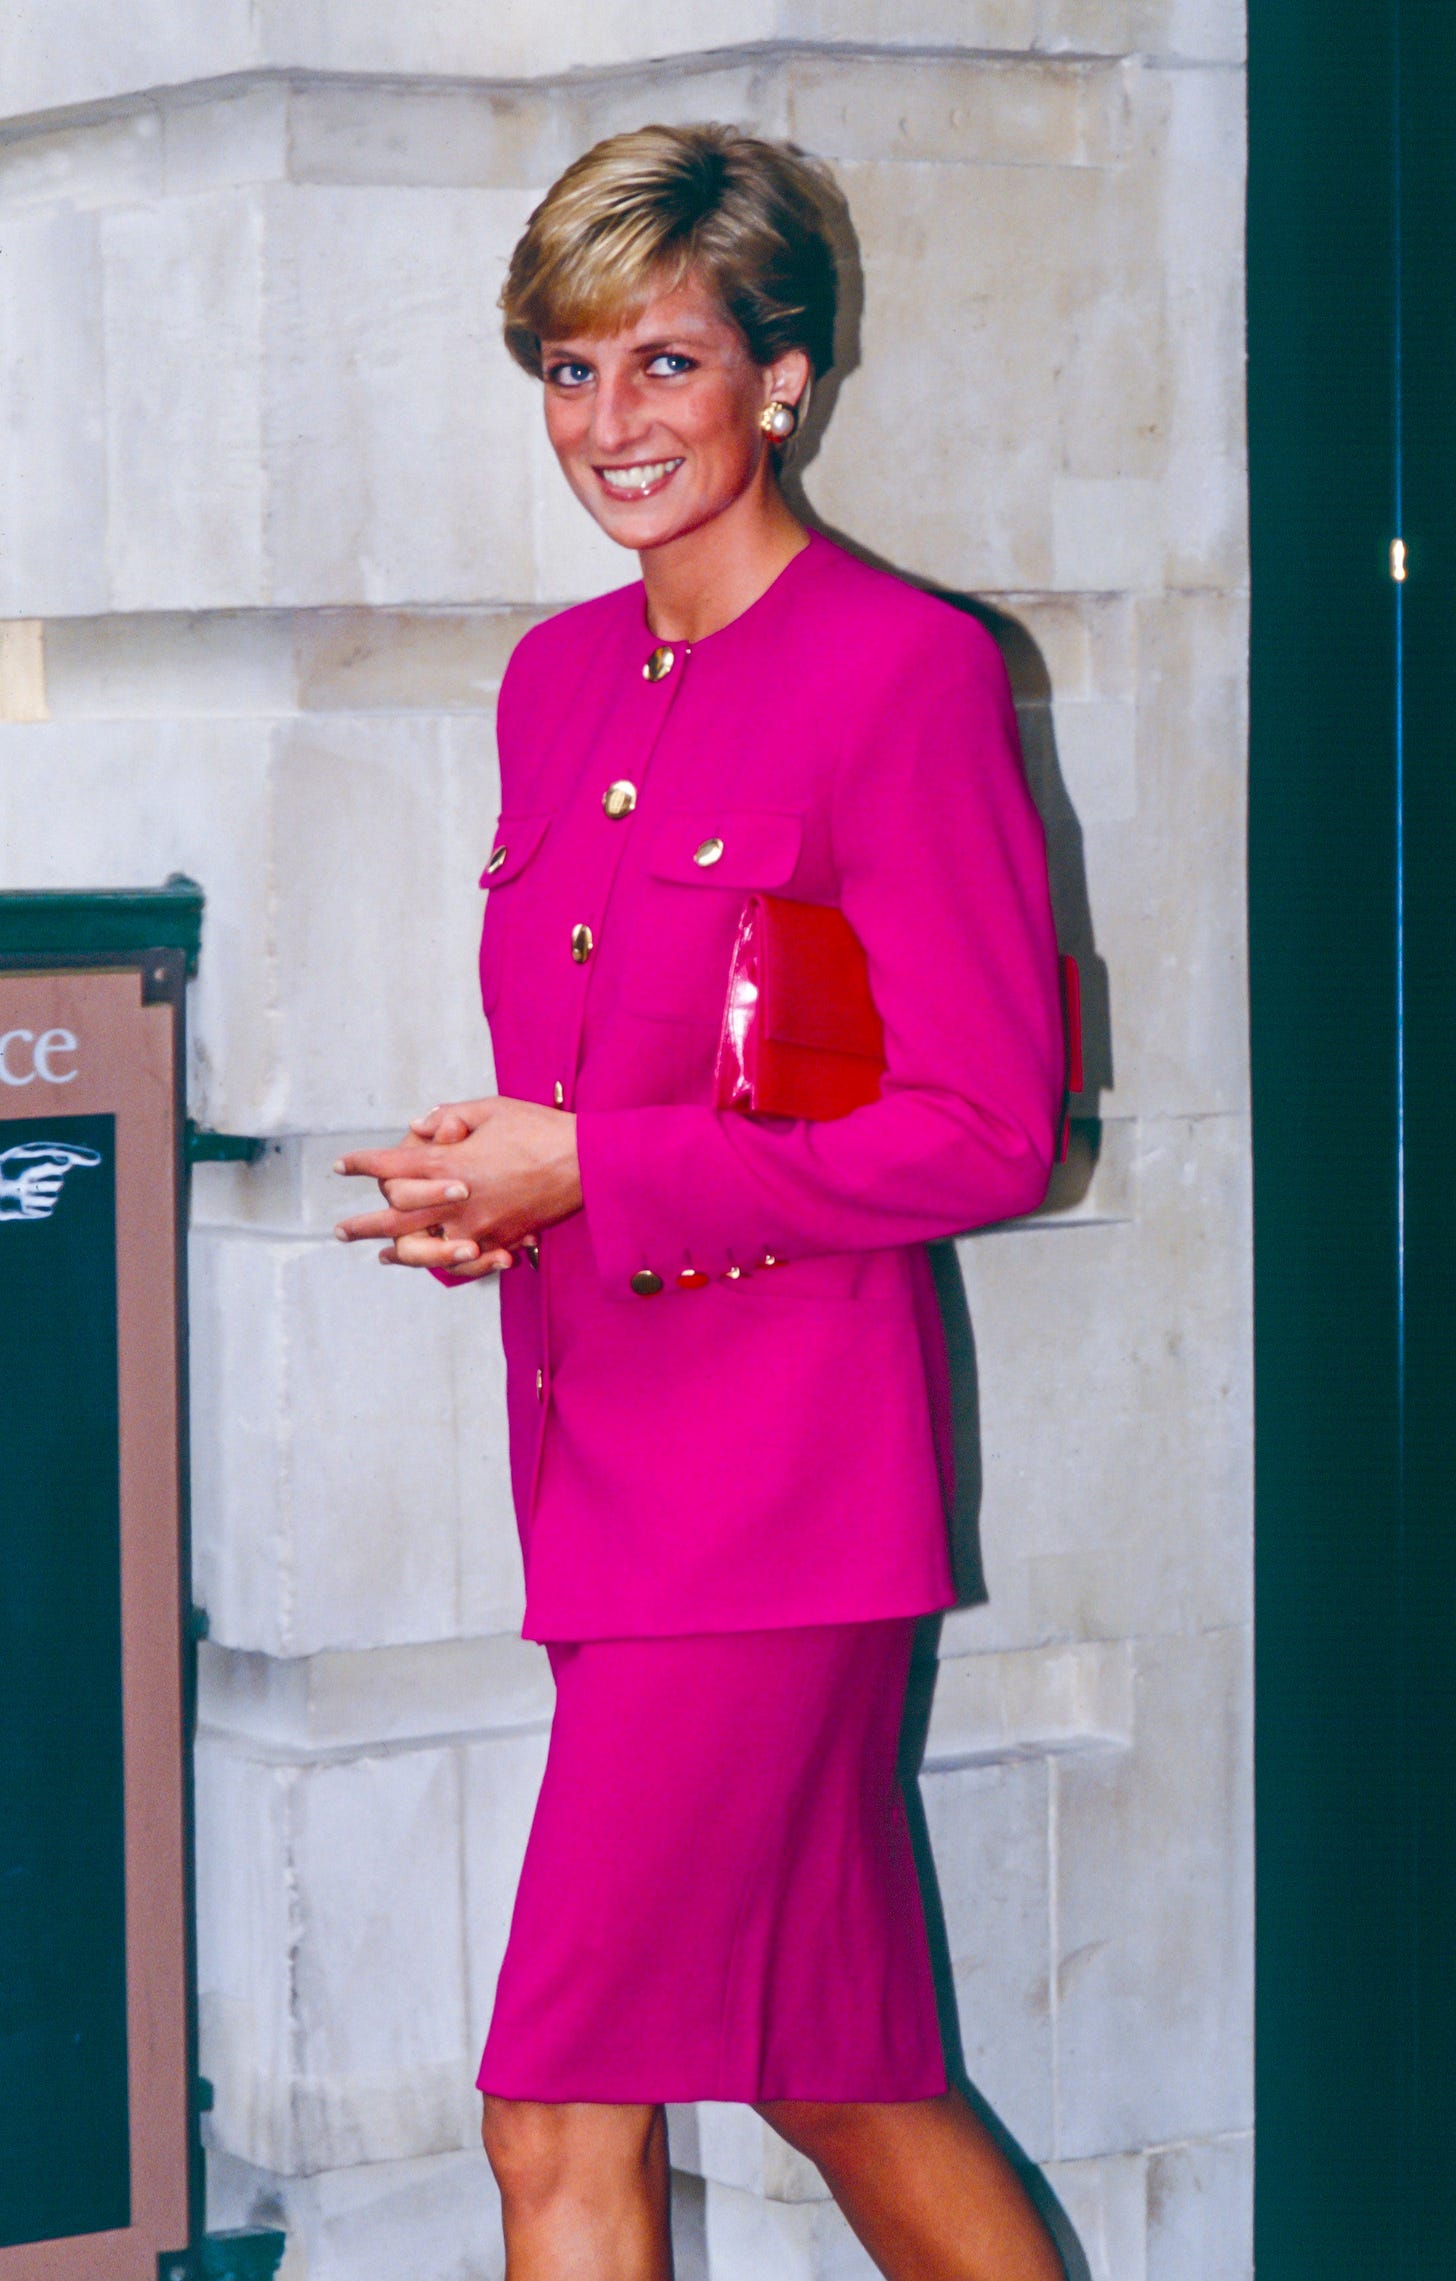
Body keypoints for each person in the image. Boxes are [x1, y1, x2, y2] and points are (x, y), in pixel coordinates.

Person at [334, 123, 1067, 2281]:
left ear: (785, 377)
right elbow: (639, 1078)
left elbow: (981, 1129)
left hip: (777, 1502)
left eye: (663, 363)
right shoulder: (559, 680)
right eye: (566, 371)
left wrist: (603, 1170)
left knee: (552, 2100)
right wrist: (509, 1196)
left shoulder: (902, 672)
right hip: (599, 1465)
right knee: (832, 2066)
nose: (610, 425)